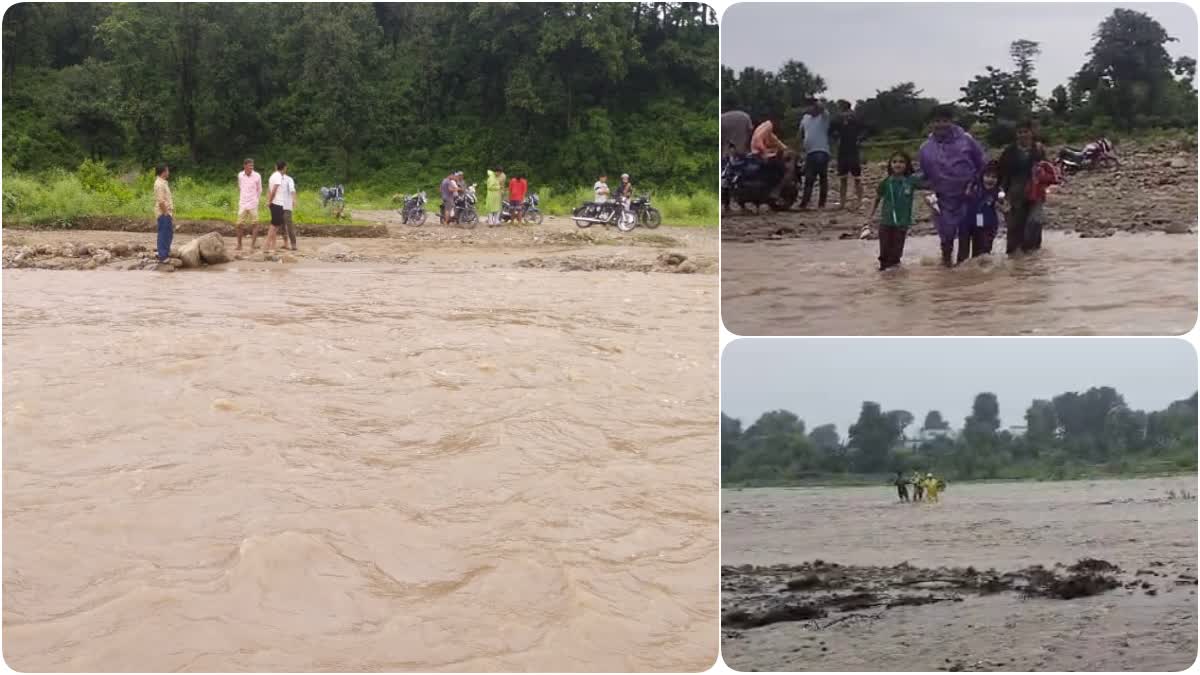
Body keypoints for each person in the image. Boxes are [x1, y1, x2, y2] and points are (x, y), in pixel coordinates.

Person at [917, 104, 987, 266]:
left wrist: (977, 184)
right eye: (937, 121)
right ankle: (946, 265)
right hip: (943, 199)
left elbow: (982, 163)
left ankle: (964, 268)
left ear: (951, 121)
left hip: (969, 195)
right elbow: (924, 175)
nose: (941, 124)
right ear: (930, 123)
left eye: (945, 120)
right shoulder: (925, 148)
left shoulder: (967, 140)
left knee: (969, 231)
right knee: (946, 235)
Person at [997, 120, 1049, 255]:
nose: (1023, 135)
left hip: (1036, 193)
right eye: (1020, 132)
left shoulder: (1038, 149)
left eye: (1026, 132)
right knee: (1014, 228)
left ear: (1032, 133)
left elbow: (1047, 169)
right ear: (1016, 134)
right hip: (1014, 194)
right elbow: (1001, 173)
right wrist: (1001, 193)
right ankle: (1015, 260)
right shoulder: (1008, 152)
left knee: (1035, 222)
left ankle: (1032, 255)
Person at [869, 152, 923, 271]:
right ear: (890, 165)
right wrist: (870, 216)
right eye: (894, 162)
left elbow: (928, 185)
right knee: (884, 254)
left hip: (902, 223)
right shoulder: (886, 182)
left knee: (896, 254)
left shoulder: (911, 181)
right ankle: (885, 276)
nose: (898, 164)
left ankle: (894, 279)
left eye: (901, 162)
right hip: (885, 223)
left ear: (907, 165)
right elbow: (877, 198)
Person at [960, 162, 1006, 260]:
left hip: (987, 226)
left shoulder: (999, 192)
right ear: (982, 176)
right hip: (968, 223)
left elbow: (1006, 208)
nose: (990, 179)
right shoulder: (973, 187)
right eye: (987, 176)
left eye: (994, 177)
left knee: (982, 257)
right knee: (962, 256)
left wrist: (1001, 203)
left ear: (998, 180)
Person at [830, 100, 868, 211]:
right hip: (846, 150)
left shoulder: (854, 118)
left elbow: (866, 129)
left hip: (849, 151)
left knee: (854, 178)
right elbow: (831, 131)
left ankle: (855, 202)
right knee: (847, 178)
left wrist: (859, 139)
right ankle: (846, 202)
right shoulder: (838, 119)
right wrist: (836, 138)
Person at [798, 98, 832, 209]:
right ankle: (805, 202)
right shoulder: (805, 118)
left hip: (821, 151)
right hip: (809, 152)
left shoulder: (823, 117)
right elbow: (801, 133)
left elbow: (823, 108)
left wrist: (815, 100)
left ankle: (821, 203)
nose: (809, 108)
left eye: (812, 106)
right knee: (809, 179)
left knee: (822, 178)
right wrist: (802, 147)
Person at [235, 158, 261, 251]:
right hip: (243, 203)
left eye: (252, 166)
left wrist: (256, 200)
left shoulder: (257, 176)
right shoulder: (240, 175)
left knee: (255, 224)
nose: (251, 167)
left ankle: (252, 245)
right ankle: (239, 245)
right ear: (244, 166)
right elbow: (240, 187)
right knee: (239, 224)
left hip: (253, 203)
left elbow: (259, 190)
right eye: (250, 166)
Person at [266, 160, 290, 252]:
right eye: (286, 167)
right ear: (284, 168)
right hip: (277, 203)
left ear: (276, 166)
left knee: (275, 225)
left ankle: (273, 246)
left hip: (276, 203)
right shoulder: (278, 176)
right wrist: (270, 201)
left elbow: (269, 189)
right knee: (274, 226)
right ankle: (266, 246)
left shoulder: (273, 175)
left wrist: (269, 201)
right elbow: (274, 191)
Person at [153, 163, 174, 263]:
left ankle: (165, 252)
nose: (168, 172)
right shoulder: (159, 184)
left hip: (167, 212)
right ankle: (163, 256)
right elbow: (161, 201)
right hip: (163, 213)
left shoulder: (163, 182)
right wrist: (165, 213)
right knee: (164, 234)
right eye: (167, 170)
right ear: (163, 172)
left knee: (169, 233)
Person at [282, 171, 298, 251]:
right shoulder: (275, 179)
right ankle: (285, 243)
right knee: (281, 225)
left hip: (287, 206)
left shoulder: (289, 179)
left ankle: (293, 244)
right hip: (278, 205)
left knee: (289, 224)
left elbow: (292, 190)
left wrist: (294, 200)